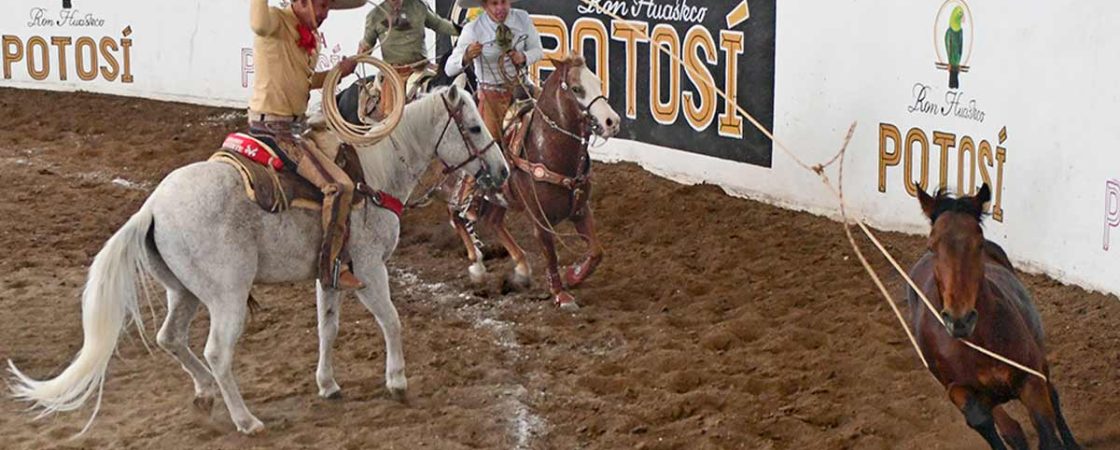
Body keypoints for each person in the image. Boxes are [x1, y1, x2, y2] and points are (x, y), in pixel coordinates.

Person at [248, 0, 365, 290]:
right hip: (276, 132)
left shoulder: (310, 40)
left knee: (345, 158)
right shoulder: (274, 21)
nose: (324, 14)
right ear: (300, 2)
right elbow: (258, 22)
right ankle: (332, 266)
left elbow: (309, 81)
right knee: (340, 186)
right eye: (321, 6)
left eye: (327, 8)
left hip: (293, 126)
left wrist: (340, 71)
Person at [444, 0, 541, 219]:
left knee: (551, 117)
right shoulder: (473, 29)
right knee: (486, 144)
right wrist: (467, 55)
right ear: (485, 6)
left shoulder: (522, 19)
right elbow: (450, 67)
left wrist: (524, 57)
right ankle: (468, 195)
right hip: (491, 95)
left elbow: (538, 50)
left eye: (503, 2)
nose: (500, 8)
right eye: (494, 3)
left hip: (521, 88)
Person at [359, 0, 460, 120]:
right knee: (391, 117)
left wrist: (461, 30)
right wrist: (362, 52)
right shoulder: (374, 15)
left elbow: (438, 24)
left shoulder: (418, 6)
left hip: (422, 67)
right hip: (394, 73)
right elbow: (367, 45)